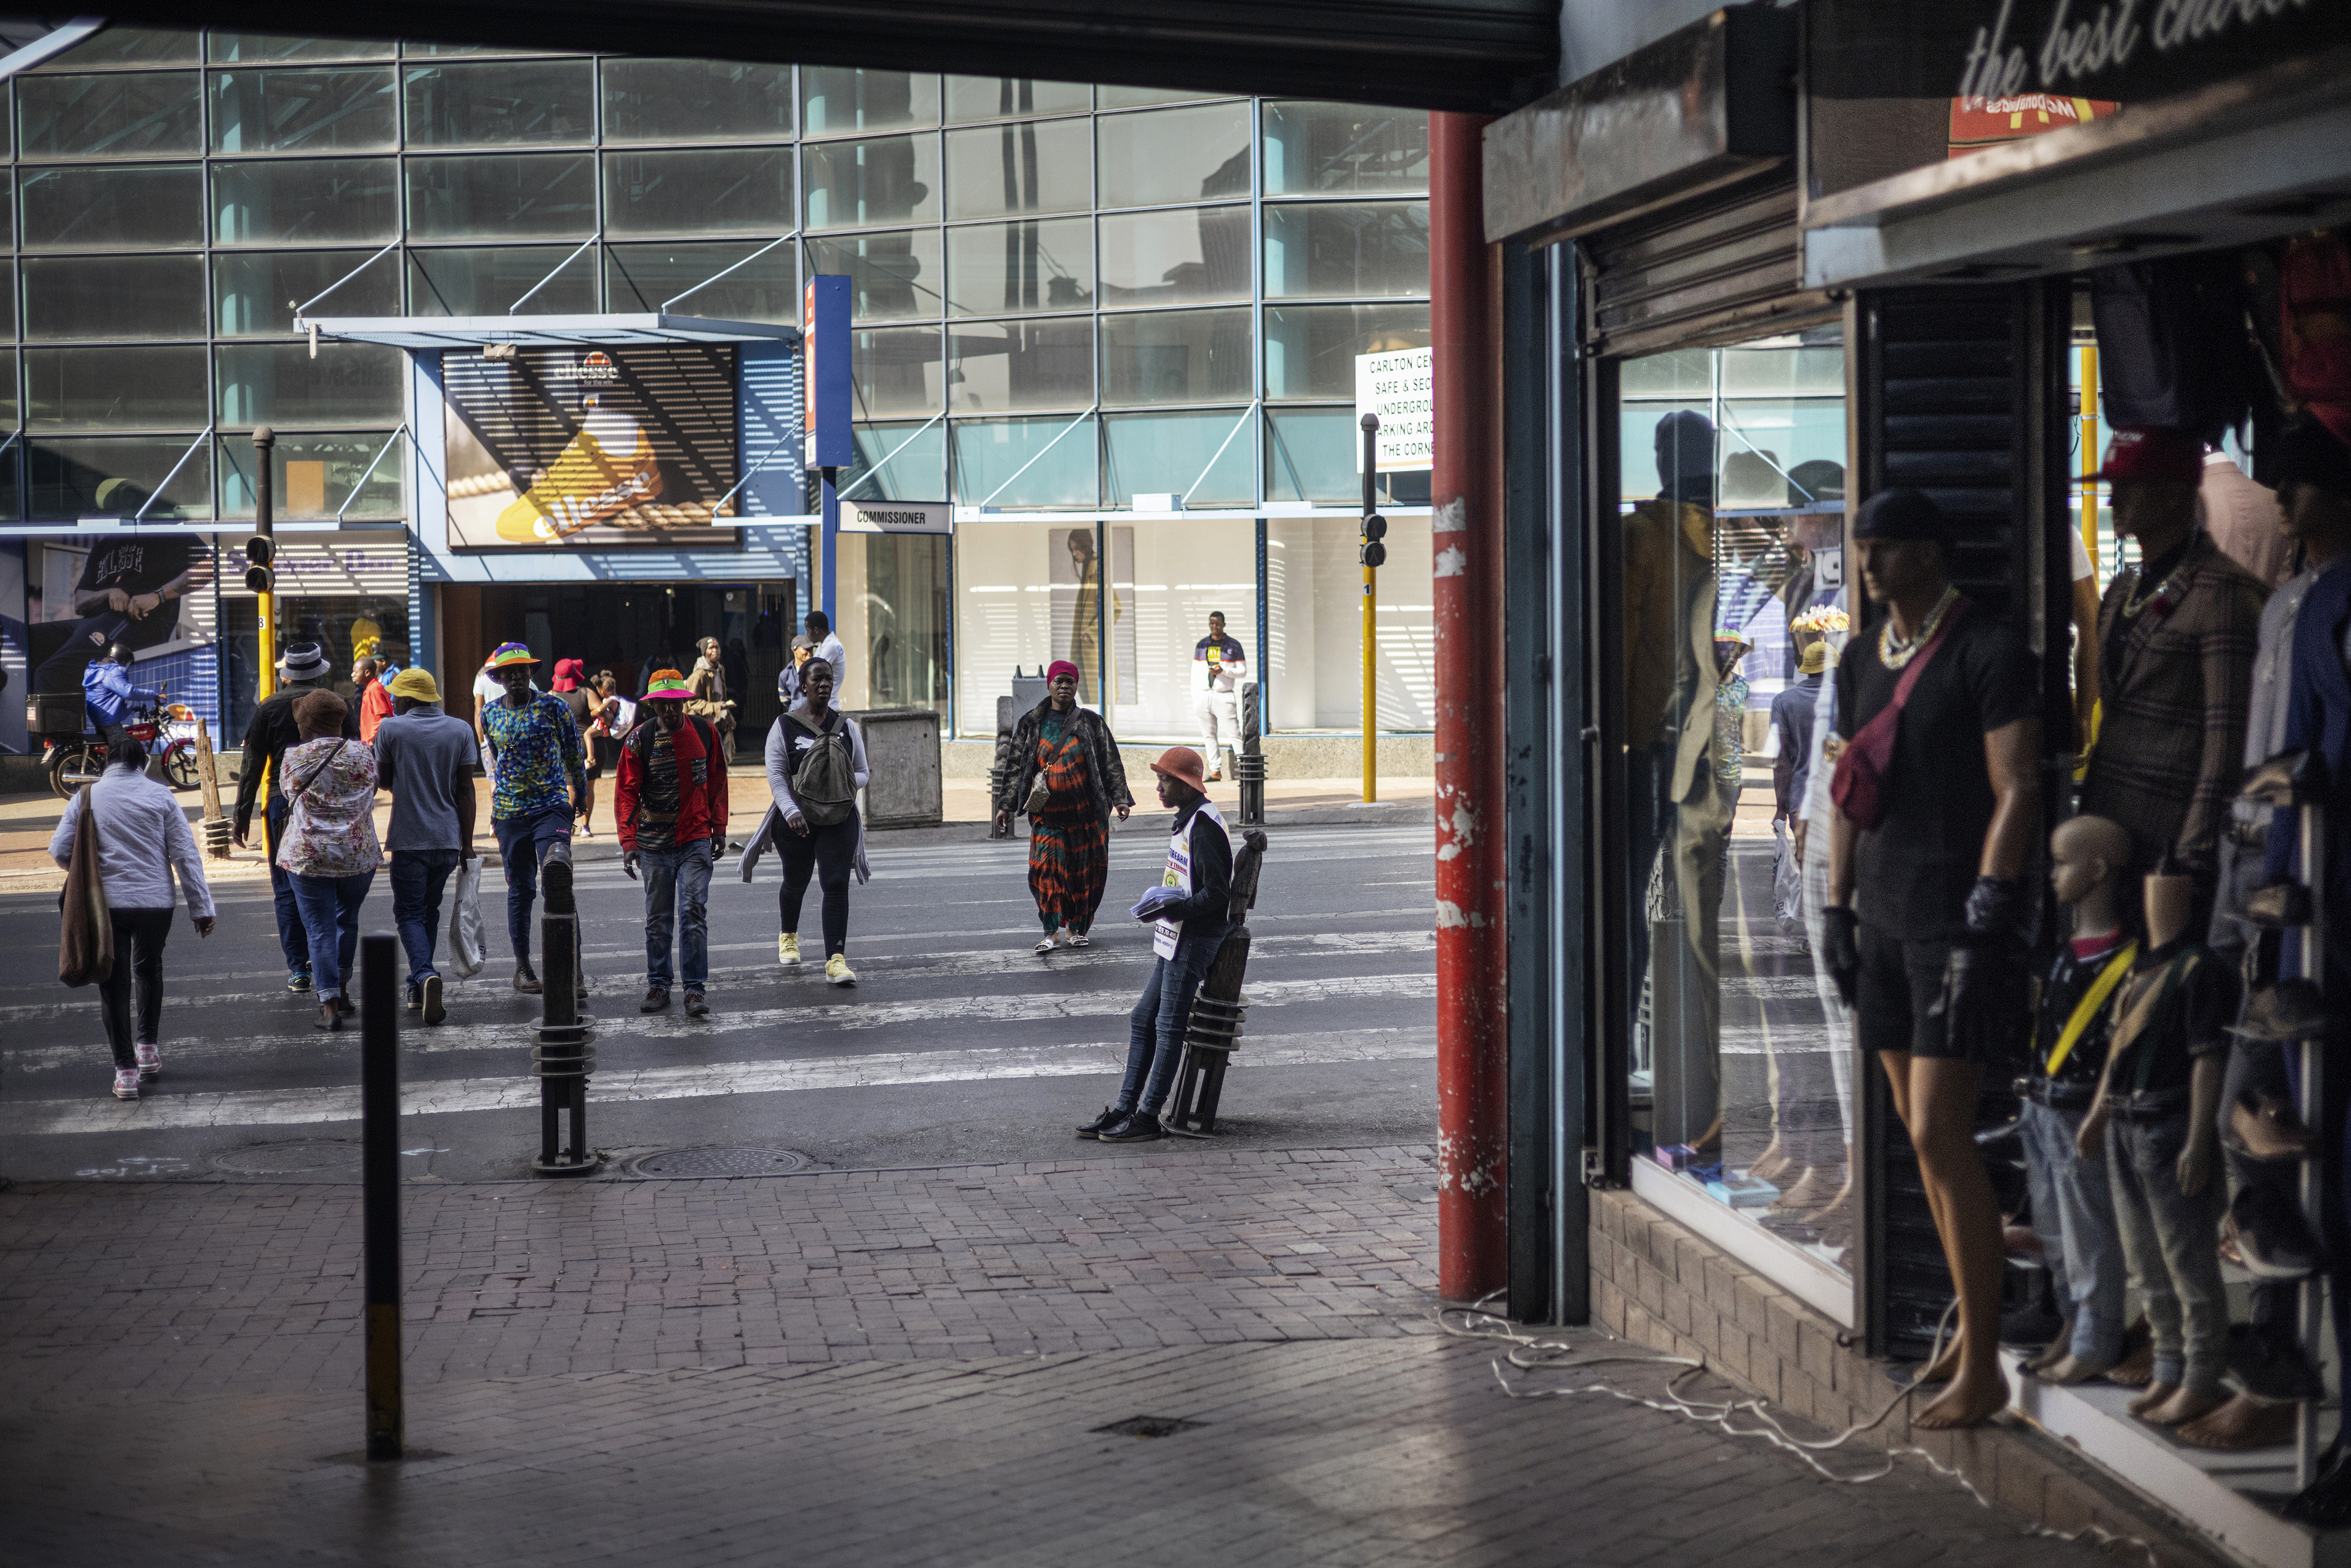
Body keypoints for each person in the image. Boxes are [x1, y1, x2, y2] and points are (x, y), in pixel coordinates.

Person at [1820, 487, 2039, 1429]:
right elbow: (1845, 789)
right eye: (1862, 547)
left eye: (1884, 548)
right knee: (1917, 1137)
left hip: (1955, 922)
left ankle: (1985, 1361)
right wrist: (1835, 904)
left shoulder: (1989, 650)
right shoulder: (1863, 659)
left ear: (1930, 553)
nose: (1866, 565)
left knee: (1943, 1132)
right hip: (1882, 918)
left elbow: (2020, 787)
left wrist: (1991, 908)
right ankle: (1967, 1333)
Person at [2080, 427, 2265, 936]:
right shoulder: (2120, 592)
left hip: (2171, 842)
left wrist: (2194, 854)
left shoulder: (2225, 593)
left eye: (2128, 485)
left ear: (2173, 494)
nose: (2113, 498)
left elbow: (2226, 742)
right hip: (2106, 835)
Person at [48, 732, 215, 1101]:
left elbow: (59, 850)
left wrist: (86, 873)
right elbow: (185, 856)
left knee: (114, 981)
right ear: (143, 764)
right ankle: (148, 1048)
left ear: (107, 763)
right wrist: (201, 909)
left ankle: (125, 1072)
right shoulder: (161, 796)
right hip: (156, 904)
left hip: (106, 905)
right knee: (149, 968)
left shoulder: (85, 797)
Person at [1079, 747, 1233, 1144]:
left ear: (1186, 785)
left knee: (1167, 1026)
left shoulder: (1203, 827)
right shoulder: (1190, 819)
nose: (1159, 786)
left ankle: (1148, 1116)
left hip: (1194, 937)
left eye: (1166, 780)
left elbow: (1218, 894)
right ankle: (1126, 1108)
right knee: (1142, 1018)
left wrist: (1176, 908)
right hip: (1178, 933)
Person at [234, 639, 360, 994]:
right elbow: (354, 753)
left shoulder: (268, 707)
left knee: (286, 887)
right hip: (333, 802)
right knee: (333, 884)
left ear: (287, 673)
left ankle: (299, 969)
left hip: (282, 805)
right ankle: (331, 966)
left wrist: (241, 814)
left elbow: (251, 765)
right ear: (319, 671)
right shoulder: (339, 704)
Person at [744, 656, 869, 986]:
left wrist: (837, 787)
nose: (825, 684)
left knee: (836, 883)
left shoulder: (847, 727)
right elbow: (776, 776)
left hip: (838, 818)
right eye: (817, 679)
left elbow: (863, 772)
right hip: (796, 820)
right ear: (804, 685)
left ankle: (836, 960)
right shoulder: (784, 726)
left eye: (829, 679)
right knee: (796, 881)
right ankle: (788, 934)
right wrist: (791, 811)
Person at [996, 659, 1134, 953]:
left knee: (1082, 877)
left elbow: (1111, 762)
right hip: (1047, 819)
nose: (1064, 686)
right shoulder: (1032, 723)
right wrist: (1005, 805)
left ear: (1076, 686)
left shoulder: (1092, 722)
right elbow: (1016, 766)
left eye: (1070, 682)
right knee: (1045, 873)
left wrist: (1120, 797)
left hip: (1086, 819)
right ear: (1049, 684)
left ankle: (1076, 929)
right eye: (1059, 681)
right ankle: (1050, 932)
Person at [617, 670, 729, 1017]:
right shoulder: (638, 741)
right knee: (659, 919)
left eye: (674, 703)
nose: (669, 710)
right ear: (652, 707)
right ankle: (659, 985)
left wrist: (720, 827)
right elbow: (626, 792)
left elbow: (716, 780)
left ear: (684, 701)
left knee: (693, 912)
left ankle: (694, 991)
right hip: (653, 845)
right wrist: (628, 840)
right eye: (662, 705)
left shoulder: (705, 733)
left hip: (695, 839)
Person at [480, 641, 587, 994]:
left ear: (531, 673)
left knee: (558, 881)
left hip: (551, 806)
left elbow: (574, 753)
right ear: (497, 677)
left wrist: (581, 795)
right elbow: (498, 759)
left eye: (522, 670)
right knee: (521, 889)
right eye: (508, 672)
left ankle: (574, 969)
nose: (516, 677)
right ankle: (523, 967)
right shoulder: (489, 714)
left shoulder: (554, 707)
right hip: (510, 813)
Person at [373, 667, 477, 1027]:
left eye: (397, 696)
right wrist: (468, 845)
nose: (394, 702)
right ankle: (418, 985)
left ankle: (423, 974)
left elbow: (383, 780)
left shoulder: (391, 729)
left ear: (408, 698)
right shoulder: (461, 729)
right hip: (448, 841)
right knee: (428, 911)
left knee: (409, 914)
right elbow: (466, 790)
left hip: (409, 839)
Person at [276, 689, 380, 1033]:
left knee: (318, 929)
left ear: (307, 723)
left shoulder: (295, 758)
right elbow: (373, 791)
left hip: (309, 855)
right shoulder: (364, 755)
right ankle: (344, 991)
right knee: (346, 921)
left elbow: (290, 794)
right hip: (356, 855)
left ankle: (330, 1006)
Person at [31, 530, 210, 695]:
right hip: (92, 622)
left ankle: (59, 728)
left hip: (133, 622)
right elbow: (79, 603)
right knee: (31, 640)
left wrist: (158, 596)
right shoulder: (104, 545)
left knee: (50, 673)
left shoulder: (163, 532)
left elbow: (209, 566)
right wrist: (109, 593)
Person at [1191, 612, 1247, 782]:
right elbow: (1195, 672)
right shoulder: (1202, 645)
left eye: (1217, 623)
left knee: (1235, 733)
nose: (1214, 626)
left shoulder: (1233, 645)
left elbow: (1243, 671)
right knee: (1209, 734)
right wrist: (1196, 696)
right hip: (1204, 695)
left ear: (1224, 624)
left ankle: (1245, 768)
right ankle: (1215, 771)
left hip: (1224, 695)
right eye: (1211, 623)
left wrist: (1224, 671)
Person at [81, 640, 161, 752]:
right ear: (122, 660)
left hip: (98, 716)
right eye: (127, 663)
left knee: (109, 750)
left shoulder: (99, 668)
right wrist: (154, 695)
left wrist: (132, 708)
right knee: (124, 751)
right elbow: (128, 692)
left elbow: (107, 695)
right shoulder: (113, 670)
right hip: (108, 719)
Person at [552, 658, 598, 836]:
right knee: (590, 786)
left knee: (570, 788)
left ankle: (569, 825)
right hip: (589, 747)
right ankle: (585, 827)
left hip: (563, 748)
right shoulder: (586, 693)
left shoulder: (552, 696)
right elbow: (604, 713)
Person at [688, 635, 738, 753]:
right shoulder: (699, 675)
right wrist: (719, 707)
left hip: (713, 726)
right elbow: (692, 702)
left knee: (720, 761)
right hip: (699, 727)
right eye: (711, 648)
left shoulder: (720, 671)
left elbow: (721, 696)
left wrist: (728, 716)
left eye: (717, 647)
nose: (715, 651)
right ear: (705, 652)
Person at [805, 611, 848, 703]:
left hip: (828, 705)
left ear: (816, 630)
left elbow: (812, 671)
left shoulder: (831, 647)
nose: (808, 635)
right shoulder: (823, 645)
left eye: (808, 631)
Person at [354, 655, 394, 744]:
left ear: (367, 673)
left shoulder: (375, 689)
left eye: (355, 672)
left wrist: (372, 743)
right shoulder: (370, 688)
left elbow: (385, 719)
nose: (353, 675)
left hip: (376, 744)